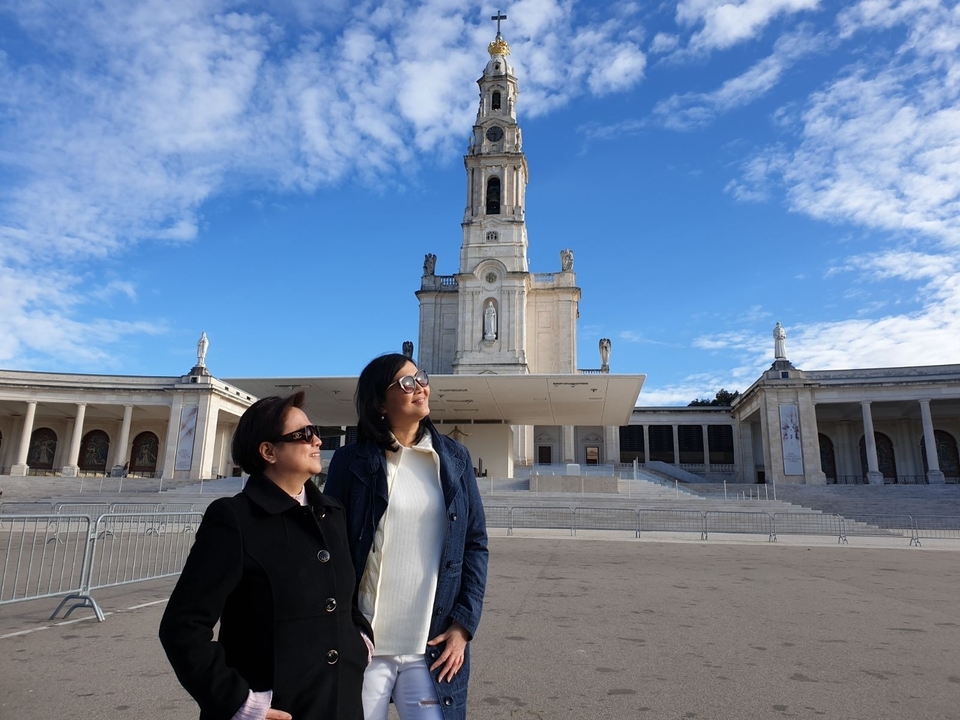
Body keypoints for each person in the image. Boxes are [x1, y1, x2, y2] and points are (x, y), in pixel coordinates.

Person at [159, 391, 372, 720]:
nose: (317, 440)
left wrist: (361, 642)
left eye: (315, 431)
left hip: (340, 701)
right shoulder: (234, 519)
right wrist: (238, 703)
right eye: (303, 434)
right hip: (272, 707)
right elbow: (182, 626)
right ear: (268, 451)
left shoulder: (332, 513)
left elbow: (346, 595)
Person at [324, 354, 488, 720]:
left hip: (430, 646)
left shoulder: (455, 459)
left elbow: (475, 543)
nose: (421, 387)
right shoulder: (351, 461)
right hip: (363, 644)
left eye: (421, 378)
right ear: (380, 403)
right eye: (407, 383)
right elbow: (330, 545)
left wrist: (463, 625)